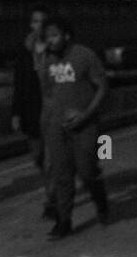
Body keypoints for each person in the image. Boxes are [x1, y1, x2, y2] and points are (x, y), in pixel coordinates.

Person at [39, 16, 110, 240]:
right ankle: (64, 221)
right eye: (47, 37)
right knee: (62, 175)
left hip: (85, 125)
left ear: (66, 35)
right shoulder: (47, 62)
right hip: (56, 127)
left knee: (87, 170)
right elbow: (47, 93)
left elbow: (102, 86)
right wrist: (48, 121)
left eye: (55, 35)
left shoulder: (84, 56)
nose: (51, 41)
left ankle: (101, 200)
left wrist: (86, 114)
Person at [11, 6, 56, 220]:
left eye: (42, 21)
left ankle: (51, 200)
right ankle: (56, 183)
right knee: (38, 157)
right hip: (31, 111)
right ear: (31, 25)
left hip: (52, 110)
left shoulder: (55, 48)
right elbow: (18, 84)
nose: (39, 25)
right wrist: (16, 113)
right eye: (35, 21)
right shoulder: (24, 51)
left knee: (50, 160)